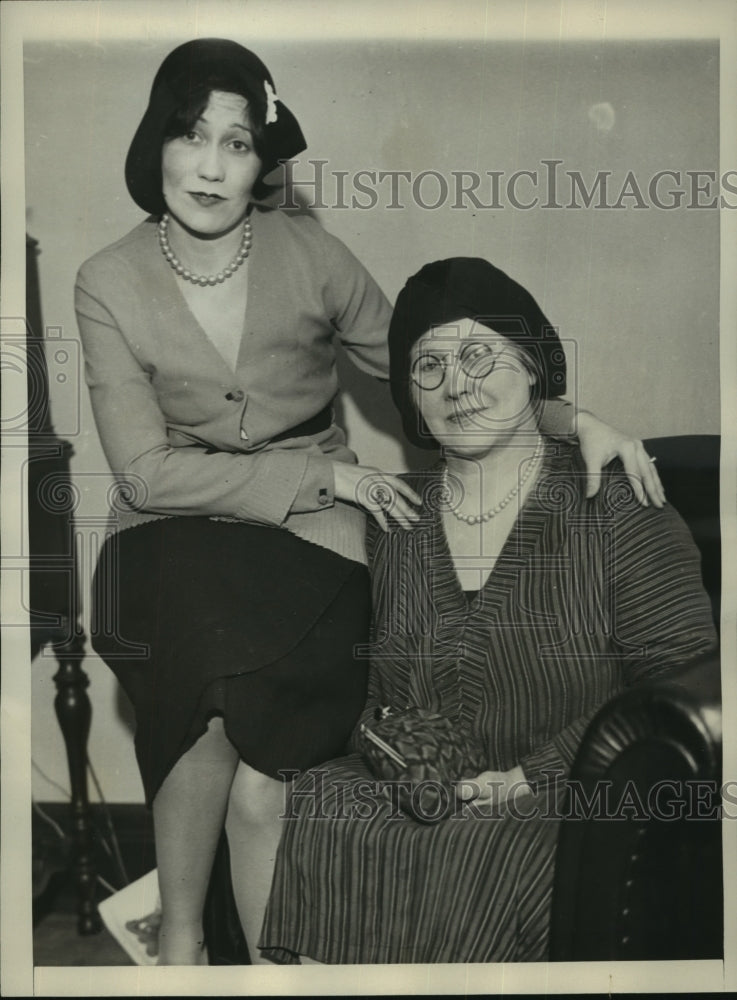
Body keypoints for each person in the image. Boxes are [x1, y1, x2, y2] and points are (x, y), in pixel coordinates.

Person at [75, 38, 664, 965]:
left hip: (310, 531)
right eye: (192, 136)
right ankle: (183, 941)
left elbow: (428, 363)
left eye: (238, 142)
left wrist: (572, 415)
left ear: (261, 161)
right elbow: (144, 473)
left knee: (254, 726)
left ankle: (249, 961)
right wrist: (328, 476)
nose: (212, 165)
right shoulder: (106, 281)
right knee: (205, 662)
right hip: (172, 520)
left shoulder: (313, 254)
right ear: (156, 144)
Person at [258, 257, 718, 964]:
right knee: (317, 802)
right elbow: (367, 689)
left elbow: (681, 683)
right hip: (426, 793)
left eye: (478, 355)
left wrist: (533, 774)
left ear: (532, 365)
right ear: (410, 398)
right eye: (428, 367)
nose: (456, 386)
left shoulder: (617, 505)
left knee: (490, 856)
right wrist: (396, 753)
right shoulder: (392, 521)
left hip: (568, 794)